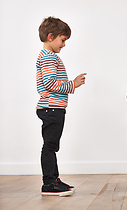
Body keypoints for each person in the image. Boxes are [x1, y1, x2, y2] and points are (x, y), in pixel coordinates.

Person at [36, 16, 86, 196]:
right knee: (49, 146)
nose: (64, 44)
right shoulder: (49, 58)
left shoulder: (48, 57)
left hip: (53, 108)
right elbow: (50, 83)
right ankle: (49, 183)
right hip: (51, 109)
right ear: (51, 37)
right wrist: (72, 84)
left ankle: (54, 179)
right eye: (62, 40)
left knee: (52, 145)